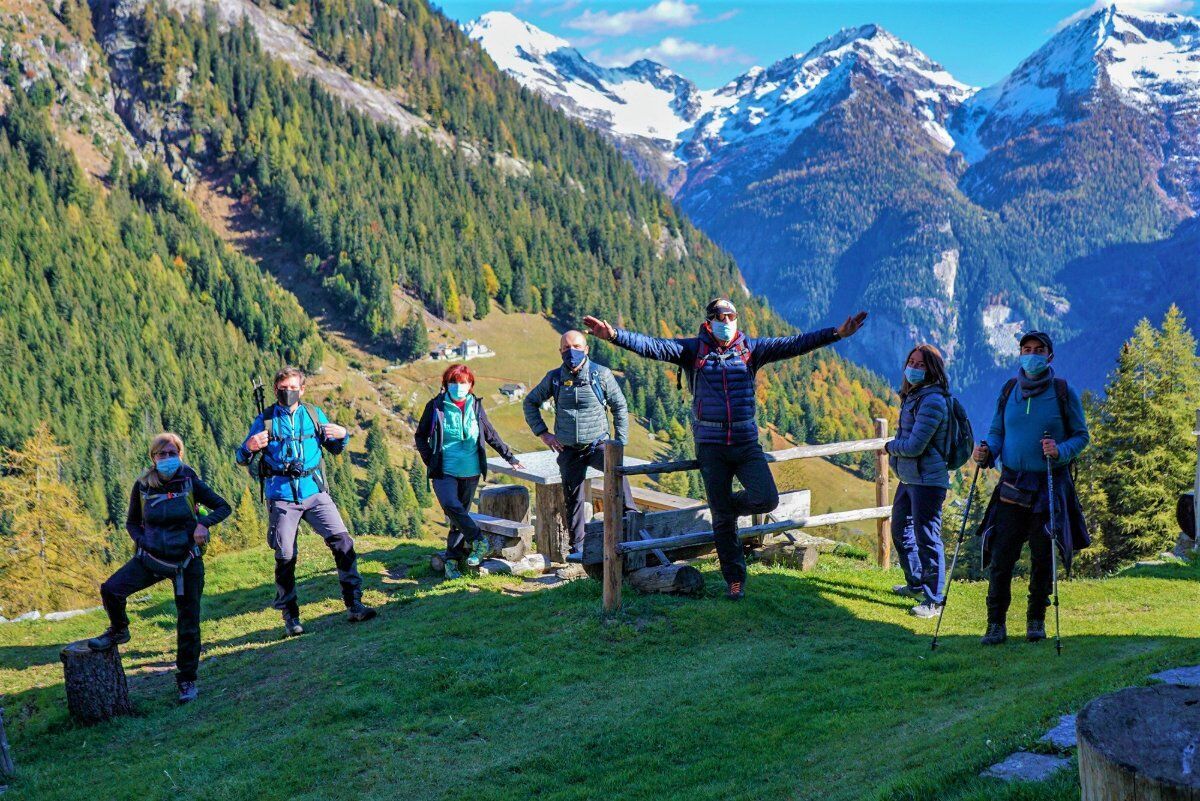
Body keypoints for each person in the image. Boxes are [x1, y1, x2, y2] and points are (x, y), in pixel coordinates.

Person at [583, 299, 867, 600]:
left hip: (746, 443)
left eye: (732, 315)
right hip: (711, 446)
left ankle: (725, 507)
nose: (727, 320)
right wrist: (614, 335)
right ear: (709, 321)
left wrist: (836, 333)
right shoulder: (693, 351)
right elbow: (652, 346)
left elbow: (795, 343)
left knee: (765, 499)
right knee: (722, 519)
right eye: (721, 315)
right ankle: (735, 579)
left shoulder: (751, 350)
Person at [88, 433, 231, 704]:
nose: (166, 458)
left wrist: (203, 524)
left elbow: (224, 507)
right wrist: (144, 542)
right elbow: (131, 522)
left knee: (188, 623)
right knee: (112, 590)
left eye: (171, 453)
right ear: (152, 458)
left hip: (187, 561)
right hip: (151, 559)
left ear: (180, 454)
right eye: (160, 454)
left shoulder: (190, 482)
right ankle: (119, 629)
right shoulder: (143, 486)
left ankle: (186, 680)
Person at [237, 366, 376, 637]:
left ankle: (354, 604)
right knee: (286, 556)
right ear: (276, 390)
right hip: (281, 497)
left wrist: (343, 435)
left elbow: (334, 448)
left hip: (315, 492)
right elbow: (242, 458)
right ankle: (291, 617)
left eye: (292, 388)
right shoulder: (265, 420)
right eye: (282, 388)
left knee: (343, 541)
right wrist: (248, 447)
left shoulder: (313, 415)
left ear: (302, 389)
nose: (287, 392)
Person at [972, 331, 1090, 646]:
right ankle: (995, 624)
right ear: (1020, 354)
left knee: (1043, 554)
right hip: (1012, 483)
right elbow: (997, 431)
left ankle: (1035, 620)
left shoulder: (1063, 392)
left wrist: (1060, 450)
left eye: (1039, 350)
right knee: (1002, 554)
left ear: (1050, 356)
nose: (1032, 355)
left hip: (1050, 484)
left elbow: (1081, 435)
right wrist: (988, 453)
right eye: (1027, 349)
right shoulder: (1009, 390)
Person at [523, 330, 634, 561]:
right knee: (572, 499)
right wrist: (543, 434)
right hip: (568, 449)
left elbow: (620, 407)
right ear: (560, 351)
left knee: (619, 478)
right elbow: (530, 402)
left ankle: (633, 536)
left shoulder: (600, 375)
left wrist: (619, 443)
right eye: (565, 348)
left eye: (575, 346)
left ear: (586, 349)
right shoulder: (554, 378)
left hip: (598, 444)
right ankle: (578, 552)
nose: (570, 351)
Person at [415, 364, 524, 579]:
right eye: (453, 382)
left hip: (471, 471)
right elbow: (420, 436)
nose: (458, 386)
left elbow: (490, 433)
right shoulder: (436, 406)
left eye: (463, 382)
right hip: (444, 470)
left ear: (471, 385)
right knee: (451, 506)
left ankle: (452, 562)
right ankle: (479, 541)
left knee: (459, 518)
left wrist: (509, 457)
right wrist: (431, 461)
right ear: (445, 384)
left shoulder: (476, 406)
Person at [885, 345, 951, 619]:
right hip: (910, 478)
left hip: (928, 480)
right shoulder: (914, 396)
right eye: (910, 361)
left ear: (932, 369)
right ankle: (915, 583)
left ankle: (933, 600)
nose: (912, 367)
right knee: (901, 530)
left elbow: (914, 446)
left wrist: (890, 447)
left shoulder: (933, 401)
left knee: (927, 538)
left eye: (920, 364)